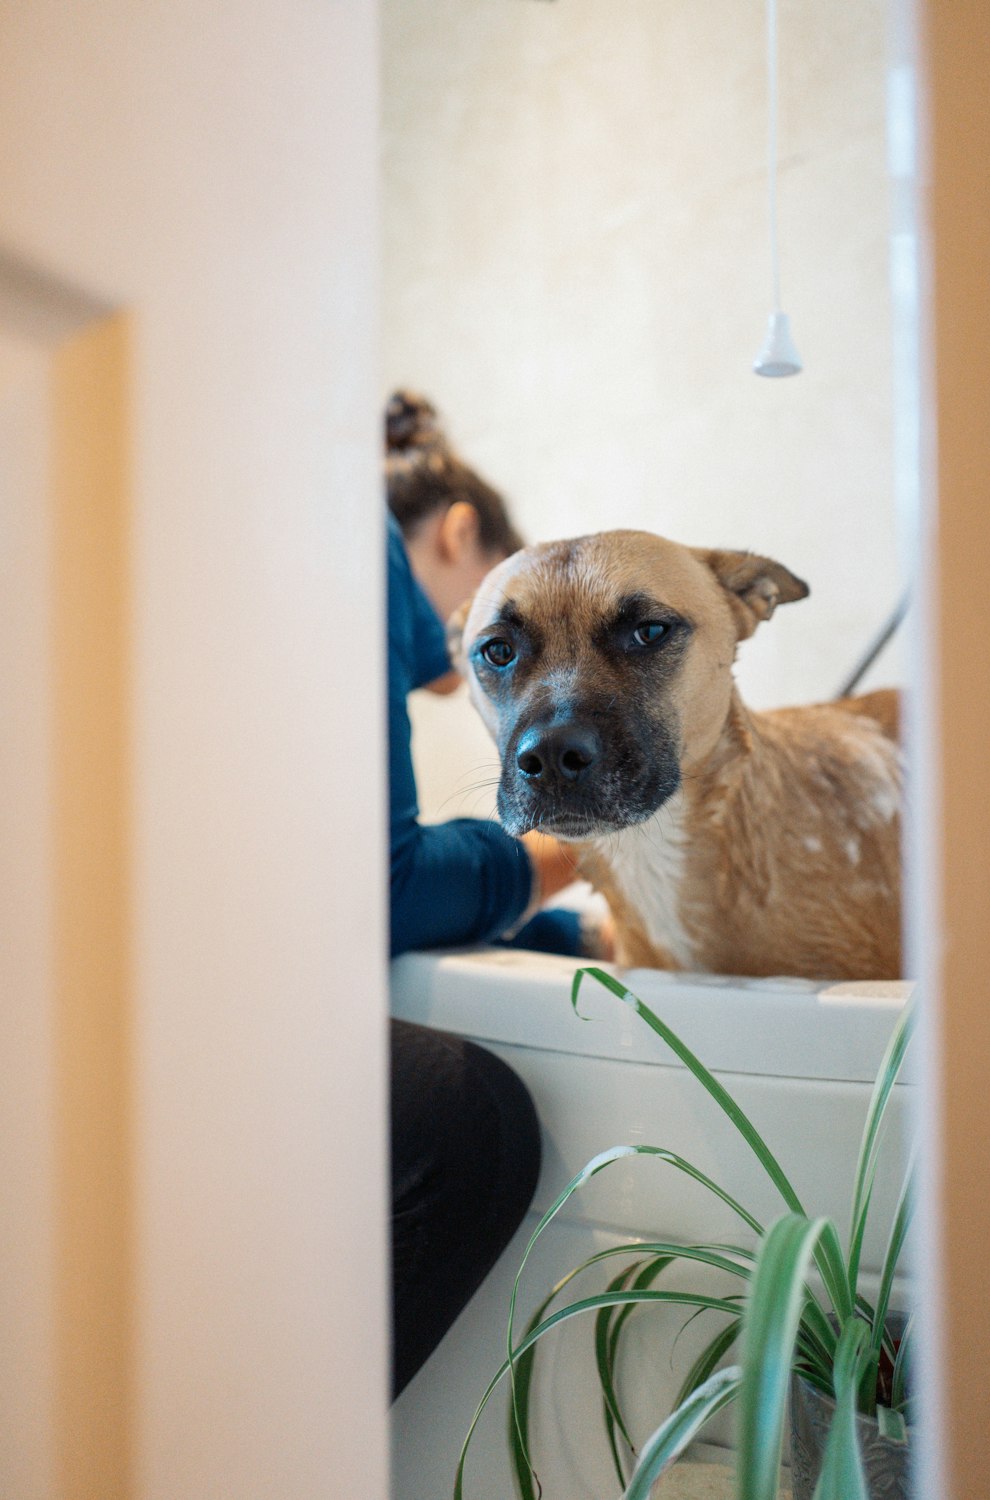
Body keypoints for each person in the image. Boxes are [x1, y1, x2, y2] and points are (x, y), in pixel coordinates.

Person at [385, 390, 591, 1398]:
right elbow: (382, 888)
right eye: (499, 636)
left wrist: (553, 921)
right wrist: (578, 850)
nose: (473, 639)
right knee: (474, 1119)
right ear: (459, 532)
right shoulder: (365, 557)